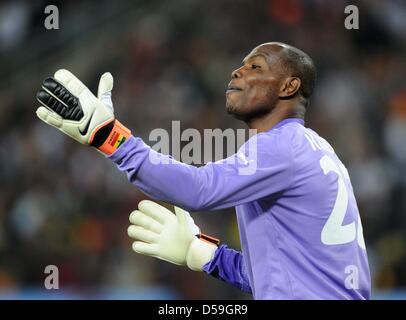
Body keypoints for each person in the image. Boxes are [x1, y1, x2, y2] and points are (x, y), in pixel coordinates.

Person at [35, 42, 371, 299]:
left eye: (255, 66)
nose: (237, 72)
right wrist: (206, 252)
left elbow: (199, 189)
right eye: (240, 66)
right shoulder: (310, 148)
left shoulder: (280, 146)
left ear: (288, 87)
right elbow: (276, 276)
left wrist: (111, 139)